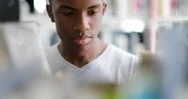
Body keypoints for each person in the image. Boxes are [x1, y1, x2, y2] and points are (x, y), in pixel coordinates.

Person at [45, 0, 138, 85]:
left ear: (103, 10)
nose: (82, 26)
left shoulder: (132, 69)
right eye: (68, 13)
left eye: (92, 12)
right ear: (50, 13)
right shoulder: (37, 67)